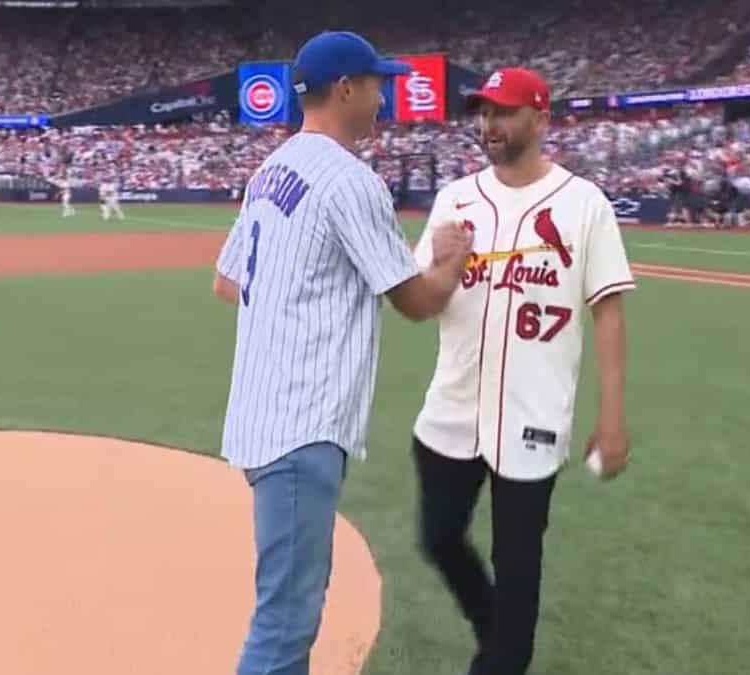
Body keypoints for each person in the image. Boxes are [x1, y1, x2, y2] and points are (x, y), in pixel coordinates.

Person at [210, 30, 474, 675]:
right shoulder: (349, 180)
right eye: (377, 83)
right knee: (286, 620)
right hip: (303, 422)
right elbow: (415, 301)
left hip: (261, 414)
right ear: (347, 88)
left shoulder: (270, 170)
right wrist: (450, 262)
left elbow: (226, 284)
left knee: (290, 606)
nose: (384, 97)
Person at [410, 67, 635, 675]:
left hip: (533, 413)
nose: (489, 125)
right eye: (483, 112)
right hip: (452, 408)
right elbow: (419, 300)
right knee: (437, 538)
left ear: (540, 118)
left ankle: (503, 655)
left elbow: (608, 314)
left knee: (518, 567)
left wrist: (610, 421)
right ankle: (496, 629)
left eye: (504, 112)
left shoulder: (583, 203)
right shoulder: (455, 199)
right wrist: (443, 269)